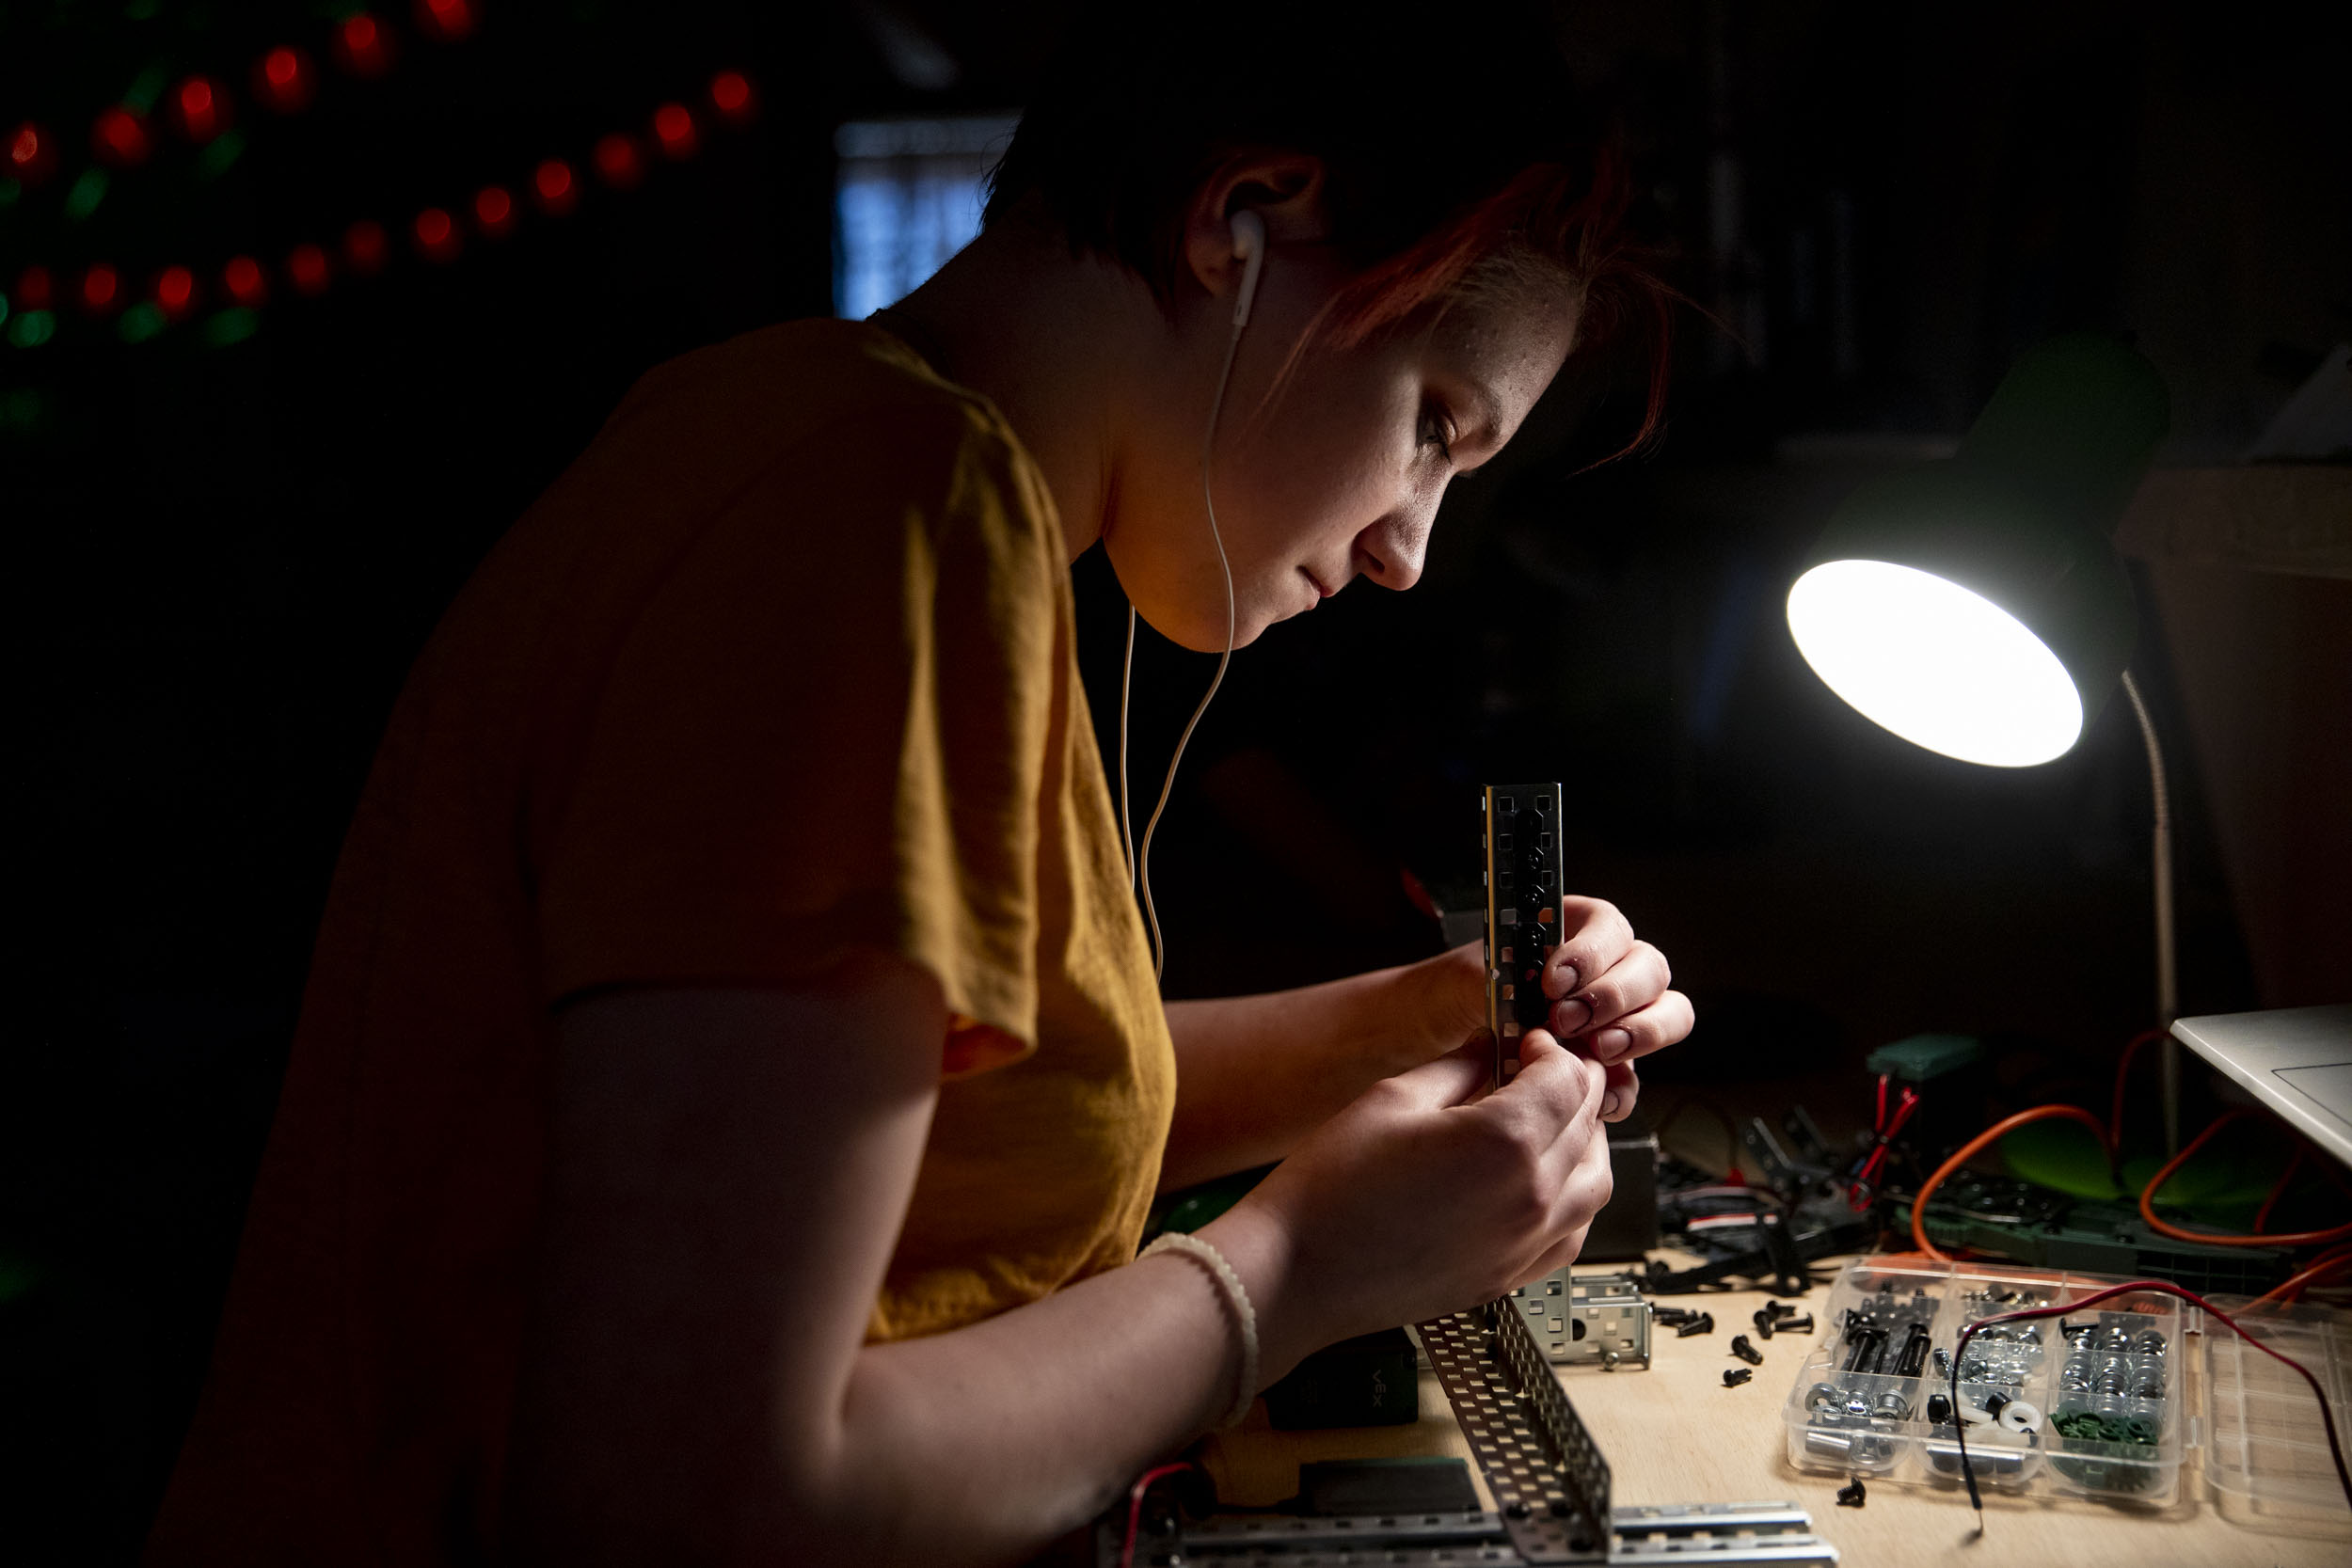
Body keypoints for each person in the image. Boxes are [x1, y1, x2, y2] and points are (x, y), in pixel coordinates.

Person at [145, 7, 1692, 1564]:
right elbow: (696, 1494)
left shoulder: (822, 437)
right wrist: (1294, 1271)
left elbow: (966, 1120)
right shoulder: (881, 525)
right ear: (1245, 224)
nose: (1406, 552)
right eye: (1433, 421)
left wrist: (1430, 1013)